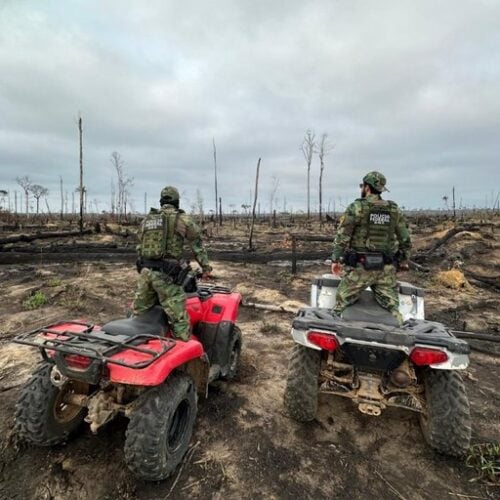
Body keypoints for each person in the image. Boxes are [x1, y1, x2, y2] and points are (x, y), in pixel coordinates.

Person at [331, 171, 411, 324]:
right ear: (381, 189)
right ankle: (397, 335)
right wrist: (403, 260)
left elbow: (343, 236)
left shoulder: (356, 207)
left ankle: (335, 342)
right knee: (392, 308)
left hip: (360, 269)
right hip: (385, 270)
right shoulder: (394, 210)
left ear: (367, 188)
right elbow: (405, 239)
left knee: (341, 304)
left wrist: (335, 259)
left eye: (363, 186)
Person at [133, 186, 212, 341]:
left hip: (145, 273)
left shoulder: (148, 220)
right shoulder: (182, 220)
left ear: (161, 201)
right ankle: (185, 360)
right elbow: (197, 245)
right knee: (179, 320)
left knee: (140, 315)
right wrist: (206, 268)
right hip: (167, 276)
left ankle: (137, 347)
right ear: (177, 202)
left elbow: (140, 245)